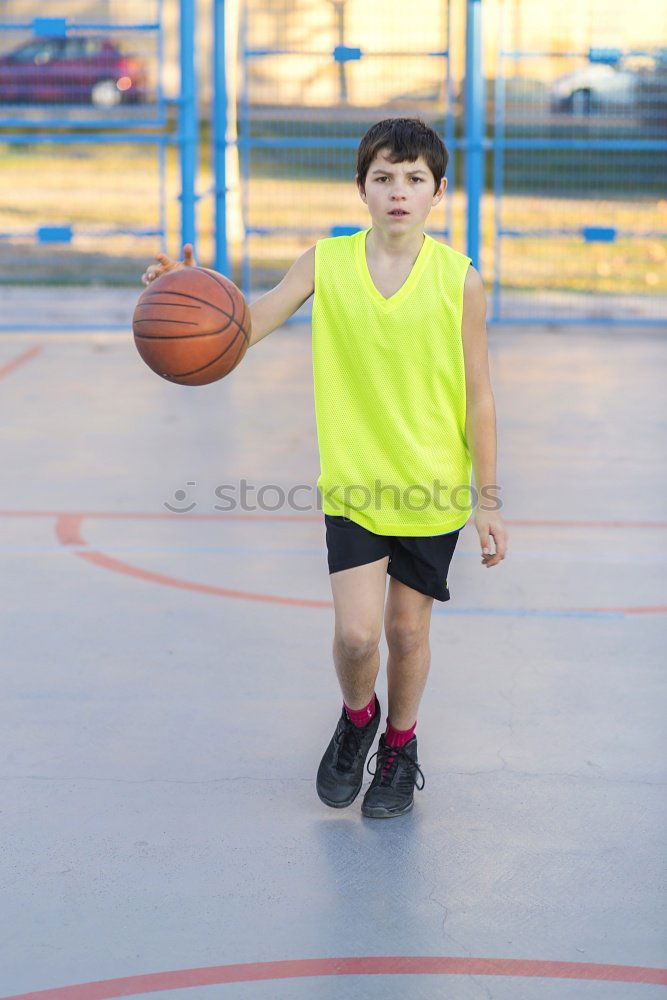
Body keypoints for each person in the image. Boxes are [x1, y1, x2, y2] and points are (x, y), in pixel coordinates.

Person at [141, 117, 507, 820]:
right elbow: (244, 325)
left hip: (432, 487)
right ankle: (356, 716)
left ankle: (400, 746)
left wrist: (487, 499)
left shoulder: (458, 281)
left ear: (438, 191)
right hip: (355, 483)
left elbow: (479, 393)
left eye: (413, 180)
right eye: (382, 178)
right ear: (361, 189)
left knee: (407, 632)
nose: (397, 192)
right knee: (357, 636)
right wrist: (182, 294)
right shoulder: (325, 263)